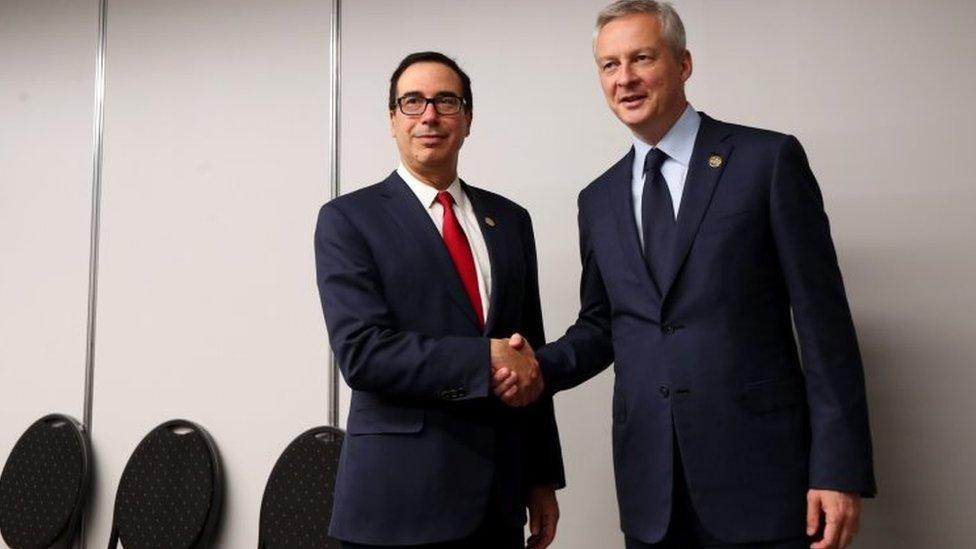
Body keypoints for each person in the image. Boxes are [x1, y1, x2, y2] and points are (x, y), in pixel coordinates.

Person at [500, 2, 876, 547]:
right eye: (609, 65)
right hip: (651, 491)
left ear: (683, 64)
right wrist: (535, 366)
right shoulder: (598, 199)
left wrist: (838, 469)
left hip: (764, 479)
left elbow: (825, 325)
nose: (624, 78)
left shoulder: (766, 161)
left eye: (641, 58)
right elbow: (604, 325)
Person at [314, 51, 563, 549]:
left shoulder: (511, 221)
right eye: (412, 102)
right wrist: (481, 357)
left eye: (446, 101)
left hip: (497, 499)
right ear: (392, 120)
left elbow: (527, 353)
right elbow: (363, 354)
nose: (429, 115)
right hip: (397, 506)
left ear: (467, 119)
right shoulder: (348, 219)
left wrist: (540, 477)